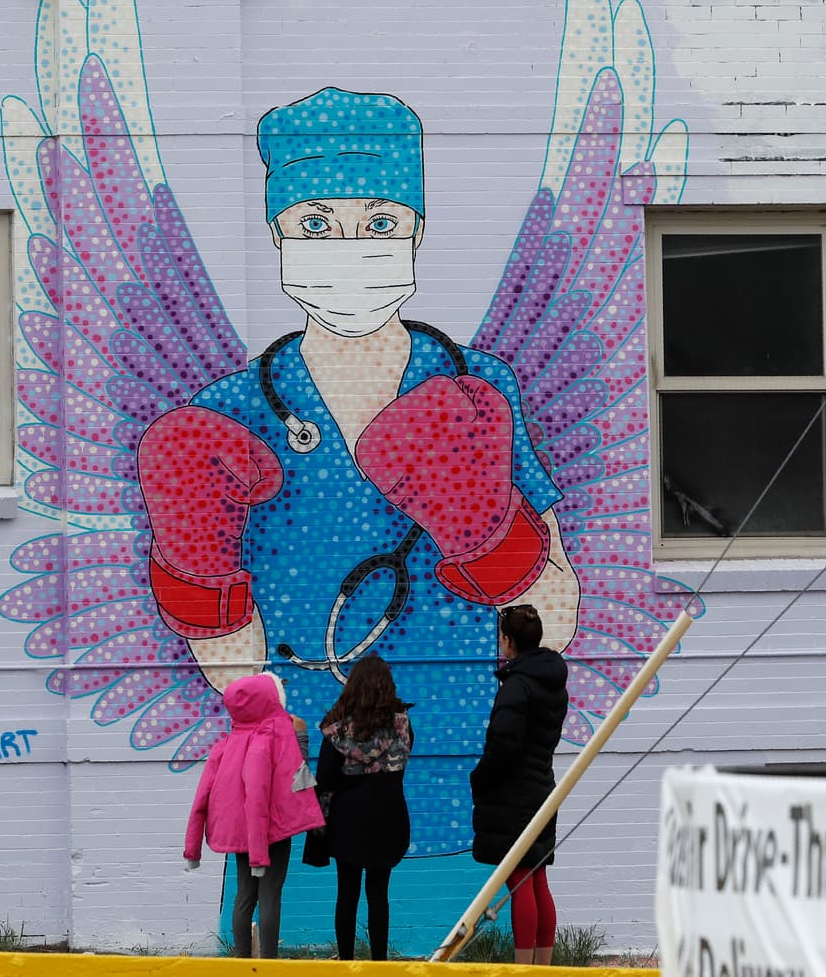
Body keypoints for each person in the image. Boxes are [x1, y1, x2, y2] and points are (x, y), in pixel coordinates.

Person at [137, 86, 580, 858]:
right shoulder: (230, 414)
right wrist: (198, 577)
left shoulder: (479, 391)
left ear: (416, 231)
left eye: (380, 222)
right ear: (278, 234)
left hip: (467, 788)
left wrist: (492, 534)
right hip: (301, 795)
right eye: (317, 225)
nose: (350, 247)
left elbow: (557, 618)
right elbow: (232, 674)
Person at [183, 672, 324, 958]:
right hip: (275, 827)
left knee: (244, 895)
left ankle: (241, 961)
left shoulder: (230, 740)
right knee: (270, 894)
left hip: (240, 830)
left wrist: (192, 848)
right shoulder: (285, 729)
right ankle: (269, 964)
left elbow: (205, 794)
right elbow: (300, 769)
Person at [470, 604, 568, 965]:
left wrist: (480, 778)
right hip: (542, 786)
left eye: (502, 636)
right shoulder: (552, 683)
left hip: (515, 794)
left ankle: (523, 968)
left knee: (520, 880)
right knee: (537, 878)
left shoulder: (517, 686)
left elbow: (503, 746)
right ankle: (542, 966)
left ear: (509, 641)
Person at [313, 654, 413, 961]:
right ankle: (379, 964)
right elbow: (400, 768)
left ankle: (346, 963)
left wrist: (319, 826)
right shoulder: (403, 725)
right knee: (379, 894)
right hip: (389, 816)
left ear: (353, 686)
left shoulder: (336, 732)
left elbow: (325, 780)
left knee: (347, 894)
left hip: (348, 819)